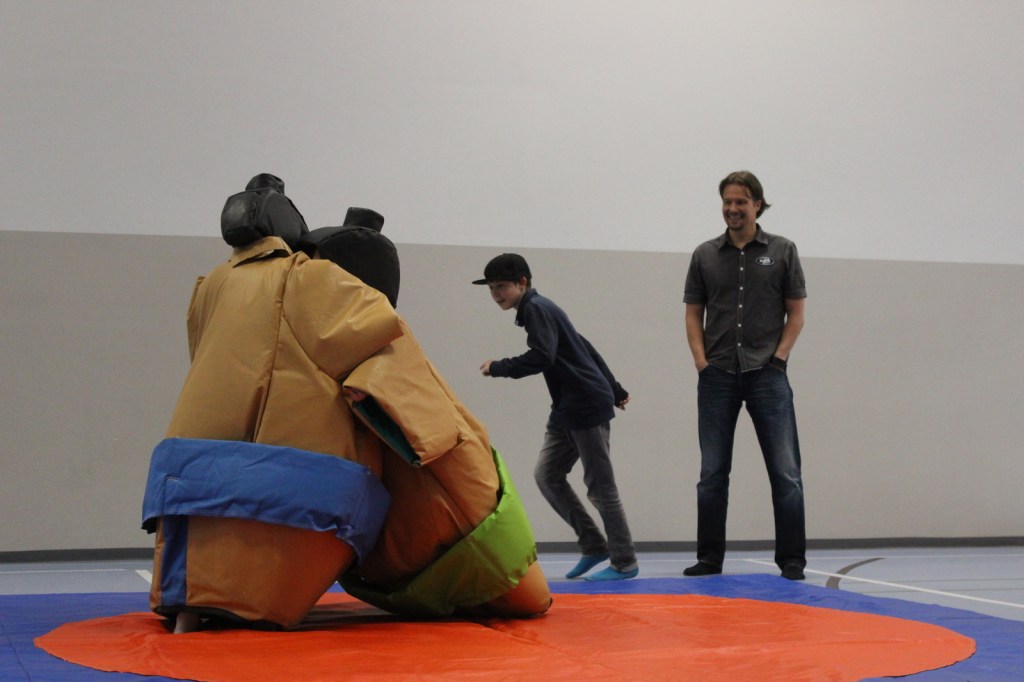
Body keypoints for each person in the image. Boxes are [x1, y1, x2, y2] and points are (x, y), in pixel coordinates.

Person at [475, 253, 638, 581]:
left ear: (522, 282)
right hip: (567, 407)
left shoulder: (537, 308)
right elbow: (585, 347)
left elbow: (542, 357)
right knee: (547, 475)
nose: (496, 294)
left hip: (585, 405)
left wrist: (499, 367)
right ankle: (593, 545)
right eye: (491, 288)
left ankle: (625, 562)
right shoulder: (541, 308)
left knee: (600, 487)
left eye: (502, 286)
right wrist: (615, 388)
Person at [681, 170, 808, 581]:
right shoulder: (704, 255)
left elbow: (796, 313)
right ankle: (709, 558)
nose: (733, 209)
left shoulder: (783, 251)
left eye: (741, 202)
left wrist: (779, 359)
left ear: (757, 205)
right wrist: (701, 362)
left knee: (785, 472)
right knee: (712, 474)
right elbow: (693, 314)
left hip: (767, 375)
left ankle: (791, 560)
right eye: (727, 202)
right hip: (716, 375)